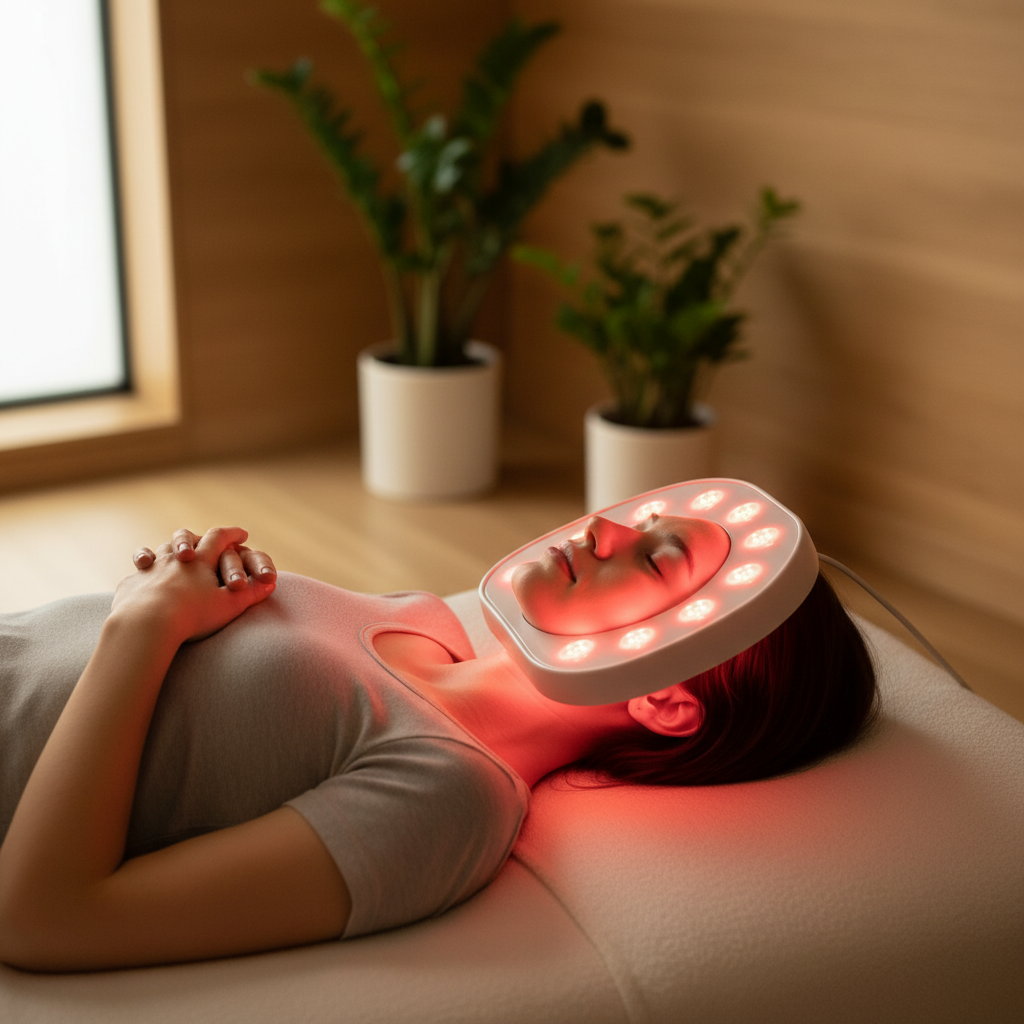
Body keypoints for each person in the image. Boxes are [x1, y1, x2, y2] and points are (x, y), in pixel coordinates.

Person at [0, 514, 876, 973]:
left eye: (652, 563)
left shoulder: (449, 797)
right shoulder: (420, 619)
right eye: (642, 529)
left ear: (666, 701)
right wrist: (169, 584)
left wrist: (142, 629)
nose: (604, 529)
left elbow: (47, 918)